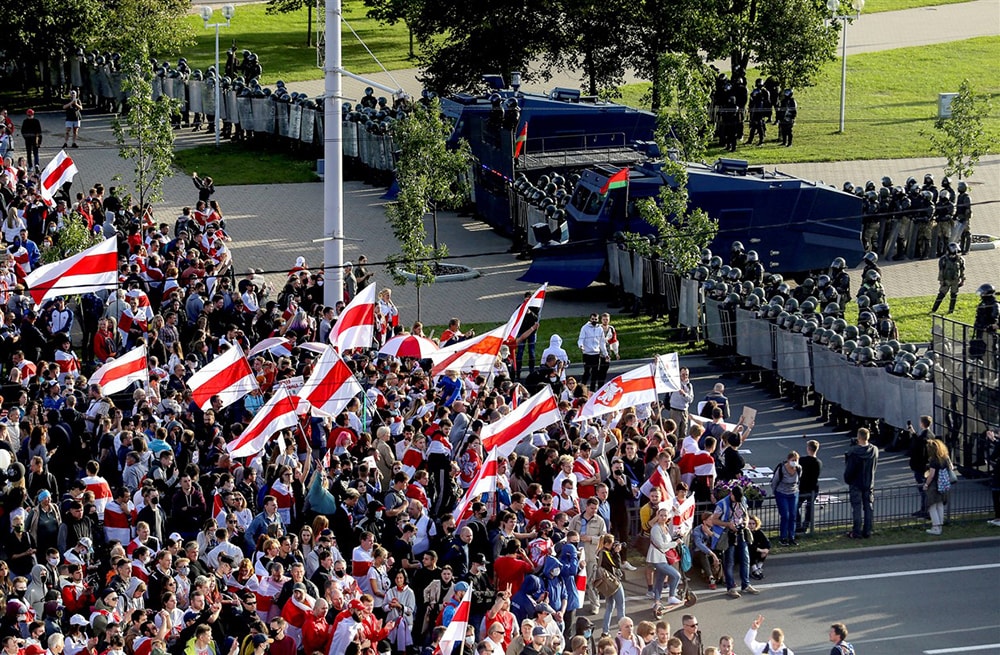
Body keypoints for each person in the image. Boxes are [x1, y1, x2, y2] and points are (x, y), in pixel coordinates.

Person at [712, 486, 757, 598]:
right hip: (728, 534)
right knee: (730, 561)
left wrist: (745, 522)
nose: (737, 501)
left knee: (745, 558)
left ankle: (746, 584)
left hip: (740, 531)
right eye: (735, 498)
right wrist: (728, 524)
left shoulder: (743, 500)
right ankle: (731, 587)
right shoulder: (722, 504)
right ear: (731, 494)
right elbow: (714, 520)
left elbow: (745, 513)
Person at [646, 507, 682, 615]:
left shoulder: (665, 526)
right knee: (676, 576)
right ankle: (671, 596)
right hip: (657, 558)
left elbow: (667, 541)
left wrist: (676, 539)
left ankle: (656, 601)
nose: (663, 517)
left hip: (663, 557)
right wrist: (675, 543)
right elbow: (661, 545)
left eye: (665, 516)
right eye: (661, 515)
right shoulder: (656, 529)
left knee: (660, 580)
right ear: (657, 515)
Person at [844, 428, 878, 539]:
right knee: (868, 507)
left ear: (858, 437)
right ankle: (867, 530)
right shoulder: (874, 450)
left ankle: (856, 531)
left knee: (857, 508)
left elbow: (849, 469)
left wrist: (848, 479)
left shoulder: (853, 452)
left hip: (856, 483)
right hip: (868, 482)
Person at [923, 438, 955, 536]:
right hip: (944, 485)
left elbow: (931, 475)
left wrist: (926, 484)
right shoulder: (945, 457)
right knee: (940, 505)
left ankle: (935, 527)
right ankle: (940, 525)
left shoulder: (934, 460)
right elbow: (951, 468)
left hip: (934, 486)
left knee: (932, 506)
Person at [770, 451, 801, 546]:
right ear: (788, 460)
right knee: (785, 515)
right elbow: (774, 482)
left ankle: (792, 537)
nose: (794, 462)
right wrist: (775, 492)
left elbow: (798, 479)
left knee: (793, 515)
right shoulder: (782, 469)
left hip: (793, 493)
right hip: (782, 493)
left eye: (796, 460)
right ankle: (783, 537)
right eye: (793, 460)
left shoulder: (799, 468)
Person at [908, 416, 933, 518]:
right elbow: (919, 441)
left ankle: (925, 510)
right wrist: (913, 432)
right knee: (925, 488)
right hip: (927, 466)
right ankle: (925, 509)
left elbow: (917, 448)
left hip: (920, 466)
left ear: (922, 424)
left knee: (923, 489)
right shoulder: (931, 435)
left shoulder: (923, 437)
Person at [930, 243, 965, 314]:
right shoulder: (943, 259)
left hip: (955, 280)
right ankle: (934, 310)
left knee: (954, 295)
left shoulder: (960, 260)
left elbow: (962, 270)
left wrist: (962, 280)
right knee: (941, 295)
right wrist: (942, 281)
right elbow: (941, 271)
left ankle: (951, 311)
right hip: (946, 281)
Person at [577, 314, 608, 390]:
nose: (594, 321)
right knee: (587, 372)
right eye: (593, 319)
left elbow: (602, 343)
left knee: (595, 373)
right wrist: (581, 346)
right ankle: (582, 389)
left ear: (598, 320)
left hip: (596, 354)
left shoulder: (599, 329)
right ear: (590, 319)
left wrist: (605, 354)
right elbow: (581, 338)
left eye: (596, 319)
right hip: (587, 353)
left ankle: (592, 390)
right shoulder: (585, 328)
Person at [797, 440, 821, 535]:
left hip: (803, 488)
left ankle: (798, 525)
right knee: (809, 508)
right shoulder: (818, 462)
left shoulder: (802, 460)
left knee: (796, 506)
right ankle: (806, 526)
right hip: (814, 488)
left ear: (808, 449)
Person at [746, 516, 770, 581]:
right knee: (749, 551)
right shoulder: (745, 533)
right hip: (747, 553)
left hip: (757, 551)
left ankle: (759, 568)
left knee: (765, 549)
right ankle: (754, 569)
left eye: (753, 524)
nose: (751, 526)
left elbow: (766, 542)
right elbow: (749, 545)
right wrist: (760, 550)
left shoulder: (759, 532)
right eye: (749, 524)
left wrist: (766, 549)